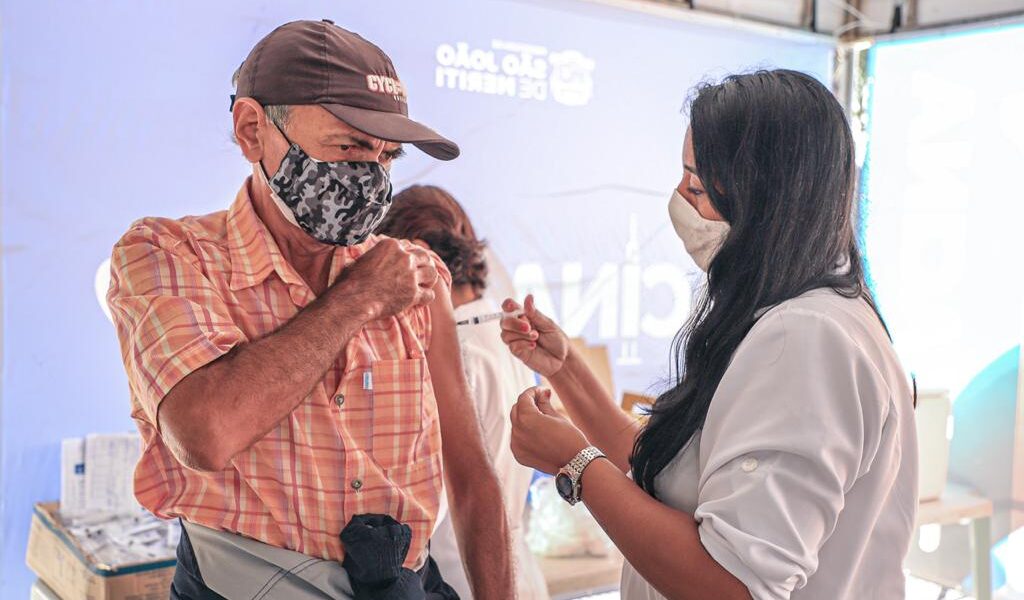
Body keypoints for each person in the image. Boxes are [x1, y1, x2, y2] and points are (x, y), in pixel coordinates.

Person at [106, 20, 513, 599]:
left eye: (386, 155)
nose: (369, 177)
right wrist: (360, 297)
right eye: (348, 146)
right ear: (252, 131)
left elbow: (473, 480)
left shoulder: (419, 282)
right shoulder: (169, 256)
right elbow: (205, 432)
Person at [499, 69, 918, 600]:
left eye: (696, 185)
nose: (677, 199)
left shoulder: (806, 338)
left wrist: (577, 465)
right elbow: (677, 477)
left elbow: (733, 582)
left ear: (764, 196)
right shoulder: (799, 315)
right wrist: (567, 373)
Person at [377, 185, 550, 600]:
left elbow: (424, 504)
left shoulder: (455, 356)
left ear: (416, 255)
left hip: (467, 578)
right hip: (517, 571)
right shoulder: (507, 335)